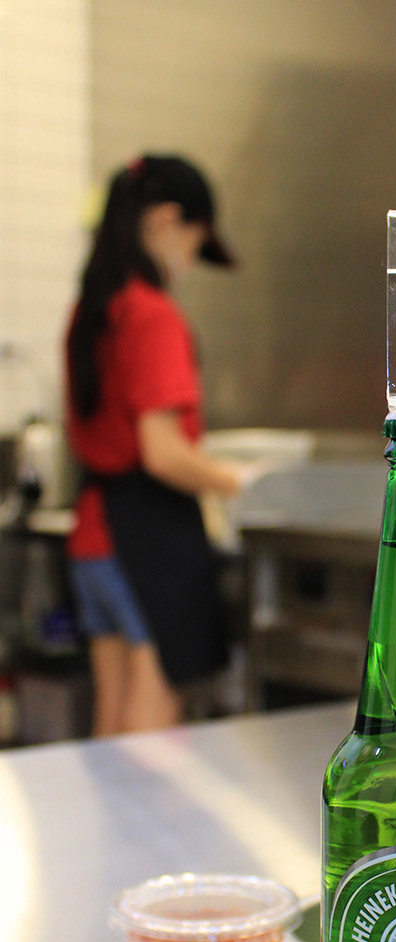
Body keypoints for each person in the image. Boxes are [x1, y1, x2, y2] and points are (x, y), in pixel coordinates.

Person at [66, 154, 243, 737]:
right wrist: (245, 481)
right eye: (194, 242)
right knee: (149, 742)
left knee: (110, 730)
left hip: (94, 538)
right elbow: (162, 453)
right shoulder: (153, 316)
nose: (189, 260)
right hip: (145, 542)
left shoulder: (92, 310)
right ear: (167, 221)